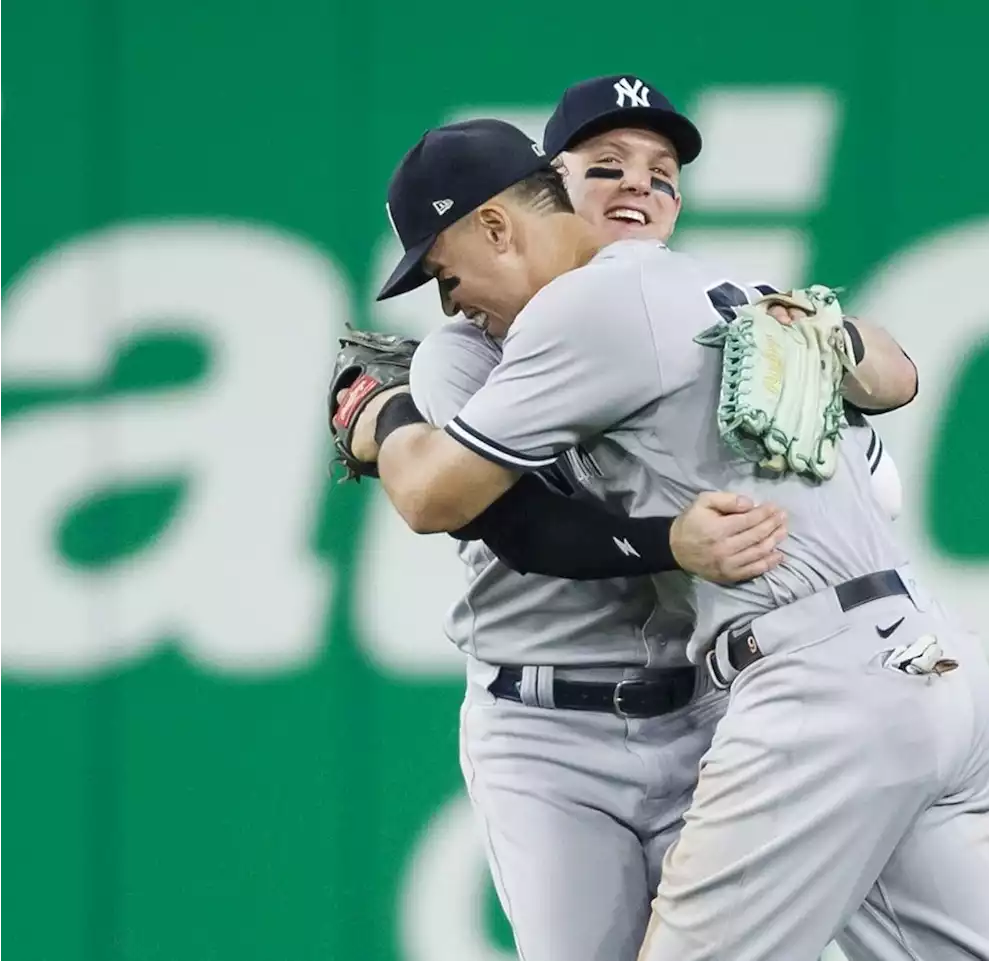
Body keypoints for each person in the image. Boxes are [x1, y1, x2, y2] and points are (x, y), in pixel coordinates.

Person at [347, 85, 933, 961]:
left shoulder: (705, 321)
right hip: (546, 722)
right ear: (542, 194)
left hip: (706, 706)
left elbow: (886, 426)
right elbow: (515, 528)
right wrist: (389, 415)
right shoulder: (469, 349)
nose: (638, 190)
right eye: (605, 167)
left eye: (661, 175)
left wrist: (834, 339)